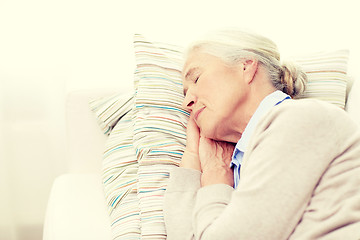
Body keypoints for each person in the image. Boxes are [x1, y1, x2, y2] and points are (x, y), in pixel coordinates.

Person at [163, 30, 360, 240]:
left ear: (246, 66)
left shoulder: (299, 118)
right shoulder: (241, 163)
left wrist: (216, 175)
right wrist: (193, 159)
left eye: (196, 78)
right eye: (184, 93)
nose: (187, 102)